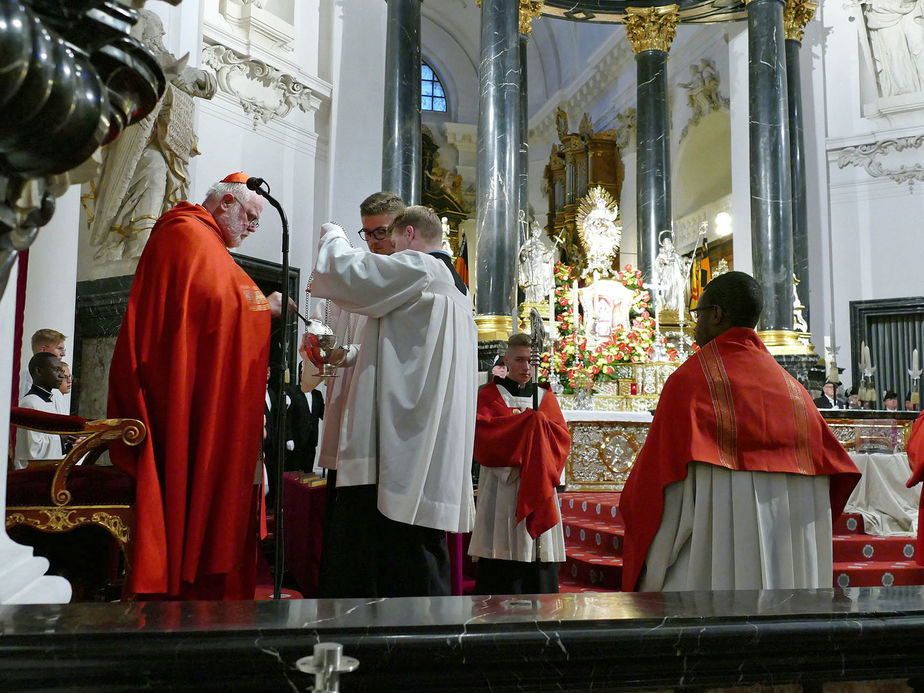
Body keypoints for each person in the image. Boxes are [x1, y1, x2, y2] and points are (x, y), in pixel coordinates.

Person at [619, 271, 860, 592]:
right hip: (789, 581)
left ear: (717, 314)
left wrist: (652, 570)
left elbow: (657, 493)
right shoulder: (796, 394)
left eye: (698, 314)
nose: (695, 324)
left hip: (709, 576)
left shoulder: (690, 383)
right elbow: (824, 494)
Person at [107, 172, 287, 600]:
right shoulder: (186, 232)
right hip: (177, 392)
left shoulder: (207, 243)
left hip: (194, 389)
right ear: (225, 202)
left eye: (257, 222)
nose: (252, 228)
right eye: (250, 217)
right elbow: (215, 304)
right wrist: (266, 306)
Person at [311, 205, 476, 598]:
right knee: (417, 545)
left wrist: (332, 233)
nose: (388, 250)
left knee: (396, 551)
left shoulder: (420, 267)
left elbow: (346, 274)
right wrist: (348, 354)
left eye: (393, 240)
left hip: (402, 438)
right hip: (428, 432)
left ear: (411, 235)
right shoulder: (455, 287)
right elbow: (405, 352)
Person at [311, 191, 405, 597]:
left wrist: (348, 354)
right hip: (349, 406)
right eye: (366, 234)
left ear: (405, 229)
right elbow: (339, 326)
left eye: (381, 232)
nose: (373, 242)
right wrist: (320, 346)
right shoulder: (364, 273)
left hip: (388, 420)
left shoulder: (410, 273)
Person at [468, 333, 571, 595]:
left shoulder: (544, 397)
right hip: (504, 486)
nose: (526, 367)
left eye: (530, 361)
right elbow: (484, 435)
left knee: (538, 556)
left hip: (537, 484)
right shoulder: (490, 395)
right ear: (506, 362)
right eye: (520, 360)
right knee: (503, 549)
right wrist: (526, 426)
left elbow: (561, 439)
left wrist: (535, 430)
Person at [14, 353, 65, 469]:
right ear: (39, 371)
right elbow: (32, 448)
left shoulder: (50, 401)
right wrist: (62, 439)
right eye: (57, 370)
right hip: (30, 473)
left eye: (61, 370)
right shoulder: (29, 403)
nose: (61, 375)